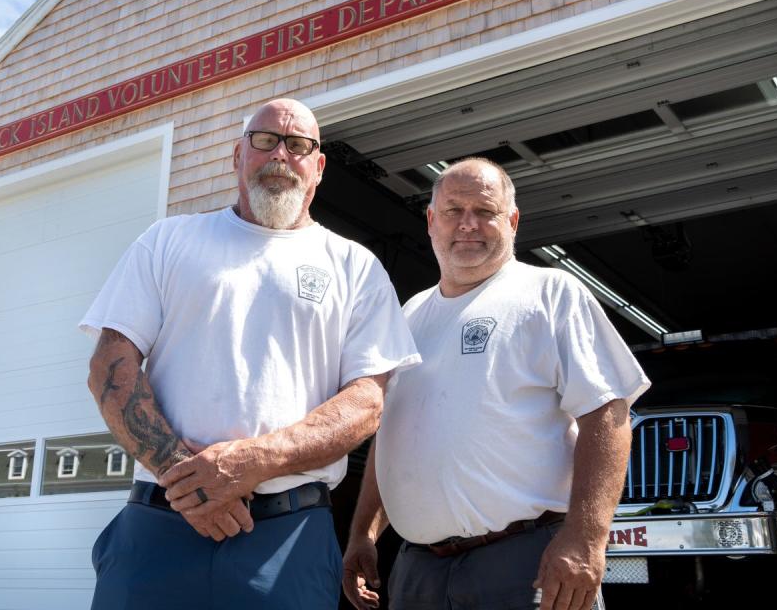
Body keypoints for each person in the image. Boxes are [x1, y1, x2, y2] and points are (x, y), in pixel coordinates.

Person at [80, 98, 419, 610]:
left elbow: (367, 402)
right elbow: (110, 365)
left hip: (286, 536)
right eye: (264, 140)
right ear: (237, 155)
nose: (281, 154)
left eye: (299, 145)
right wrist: (187, 478)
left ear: (319, 167)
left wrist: (255, 462)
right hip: (161, 524)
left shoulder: (355, 266)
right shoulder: (169, 240)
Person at [343, 158, 650, 610]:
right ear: (431, 220)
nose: (468, 224)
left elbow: (608, 414)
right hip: (417, 572)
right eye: (453, 211)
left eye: (484, 211)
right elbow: (392, 439)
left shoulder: (550, 293)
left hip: (524, 563)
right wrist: (363, 535)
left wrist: (586, 539)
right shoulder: (409, 315)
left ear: (512, 220)